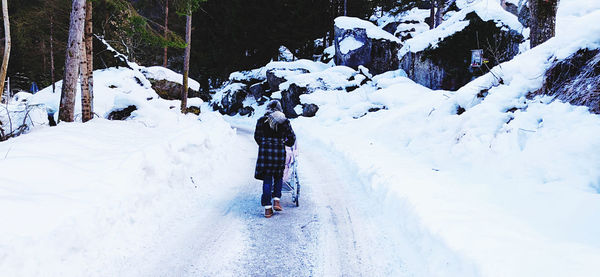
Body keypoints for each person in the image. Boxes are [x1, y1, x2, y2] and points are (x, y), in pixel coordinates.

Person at [254, 100, 296, 218]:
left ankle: (267, 209)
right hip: (278, 152)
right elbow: (292, 138)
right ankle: (276, 200)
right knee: (278, 177)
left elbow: (257, 137)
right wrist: (284, 142)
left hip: (265, 153)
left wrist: (264, 144)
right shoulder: (284, 121)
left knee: (267, 179)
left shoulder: (261, 121)